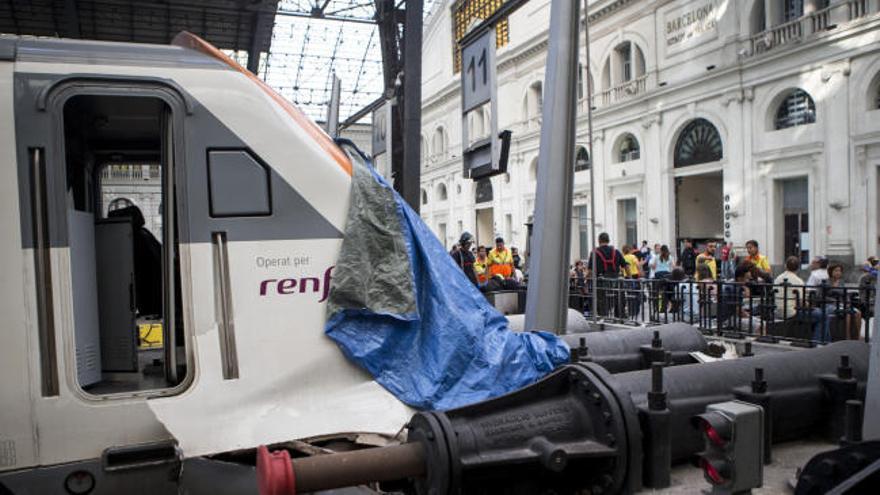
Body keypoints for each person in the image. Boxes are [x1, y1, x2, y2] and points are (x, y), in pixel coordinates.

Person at [589, 232, 627, 317]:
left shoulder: (594, 253)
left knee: (602, 302)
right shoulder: (616, 251)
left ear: (599, 241)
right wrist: (629, 278)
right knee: (619, 300)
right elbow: (626, 266)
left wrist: (586, 280)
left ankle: (604, 318)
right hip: (616, 282)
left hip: (602, 283)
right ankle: (620, 317)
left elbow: (590, 270)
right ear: (608, 240)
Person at [773, 256, 805, 320]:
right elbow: (801, 302)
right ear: (798, 268)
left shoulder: (777, 278)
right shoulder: (799, 281)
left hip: (777, 312)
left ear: (785, 266)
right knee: (821, 315)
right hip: (792, 313)